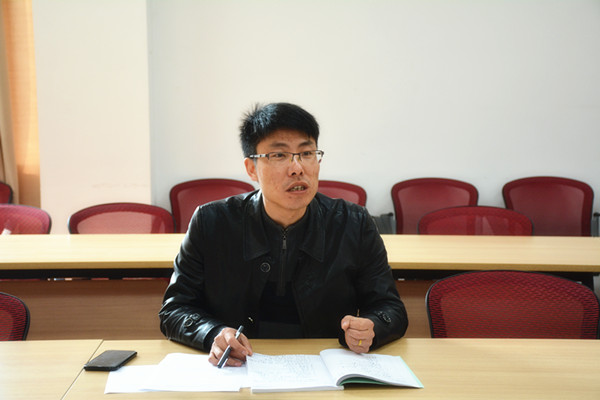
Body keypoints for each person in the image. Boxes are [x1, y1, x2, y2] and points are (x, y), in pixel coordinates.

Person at [159, 102, 408, 367]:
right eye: (279, 155)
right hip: (239, 367)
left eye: (307, 153)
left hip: (325, 367)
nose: (297, 168)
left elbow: (391, 309)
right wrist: (213, 333)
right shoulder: (211, 222)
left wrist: (372, 326)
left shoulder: (353, 223)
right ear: (251, 168)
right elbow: (174, 309)